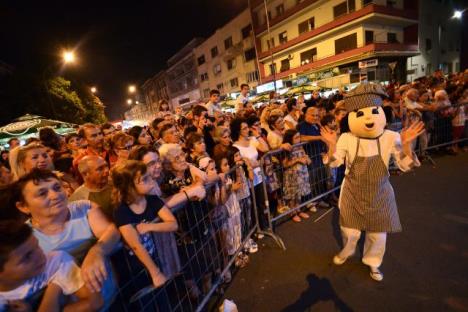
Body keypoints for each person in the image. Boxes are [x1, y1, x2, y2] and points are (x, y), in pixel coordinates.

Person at [321, 83, 425, 281]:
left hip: (380, 192)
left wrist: (406, 145)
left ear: (382, 113)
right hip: (352, 191)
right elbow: (334, 164)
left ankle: (373, 262)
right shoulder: (346, 138)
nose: (368, 118)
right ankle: (349, 249)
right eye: (360, 114)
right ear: (351, 118)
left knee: (377, 234)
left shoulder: (391, 137)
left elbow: (405, 165)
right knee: (349, 230)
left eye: (374, 112)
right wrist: (332, 145)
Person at [13, 169, 120, 305]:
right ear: (23, 206)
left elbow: (111, 232)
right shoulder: (23, 238)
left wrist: (97, 251)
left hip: (112, 298)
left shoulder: (83, 208)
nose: (55, 195)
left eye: (57, 188)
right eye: (42, 193)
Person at [0, 220, 102, 311]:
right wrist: (54, 292)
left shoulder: (56, 262)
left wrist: (53, 290)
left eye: (37, 246)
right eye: (27, 257)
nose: (39, 255)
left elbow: (95, 303)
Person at [111, 161, 178, 289]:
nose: (151, 180)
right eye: (145, 179)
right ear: (129, 186)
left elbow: (173, 224)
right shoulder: (121, 210)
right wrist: (155, 273)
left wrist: (149, 227)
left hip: (153, 257)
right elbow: (135, 245)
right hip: (134, 268)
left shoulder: (152, 200)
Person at [69, 156, 113, 220]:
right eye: (100, 169)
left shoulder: (116, 182)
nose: (107, 170)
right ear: (85, 174)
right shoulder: (78, 199)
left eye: (106, 166)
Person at [282, 129, 312, 222]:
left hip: (302, 173)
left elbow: (308, 159)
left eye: (299, 137)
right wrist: (297, 160)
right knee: (293, 195)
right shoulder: (287, 149)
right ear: (290, 139)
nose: (298, 139)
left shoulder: (300, 146)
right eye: (296, 138)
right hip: (292, 175)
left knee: (299, 194)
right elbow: (284, 164)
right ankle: (292, 212)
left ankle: (298, 210)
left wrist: (307, 159)